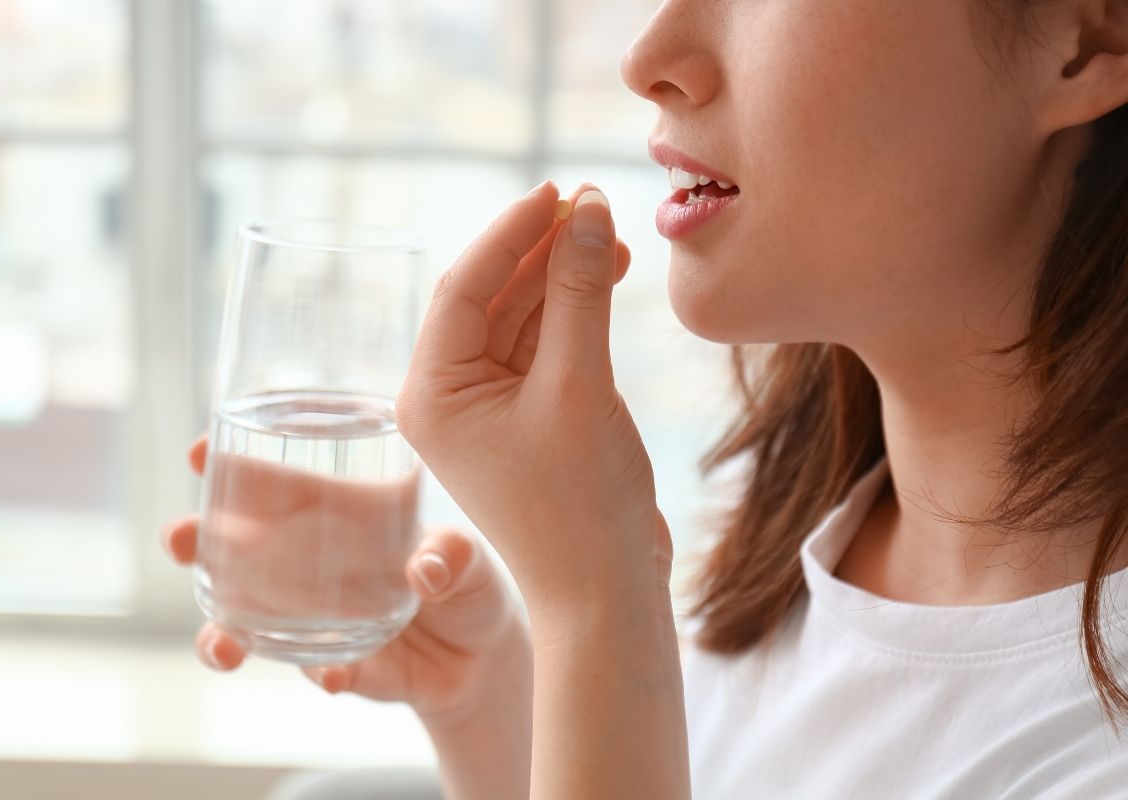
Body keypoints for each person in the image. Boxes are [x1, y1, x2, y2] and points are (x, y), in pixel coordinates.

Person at [162, 0, 1128, 796]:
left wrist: (596, 596)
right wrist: (496, 690)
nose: (649, 56)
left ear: (1087, 39)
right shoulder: (802, 515)